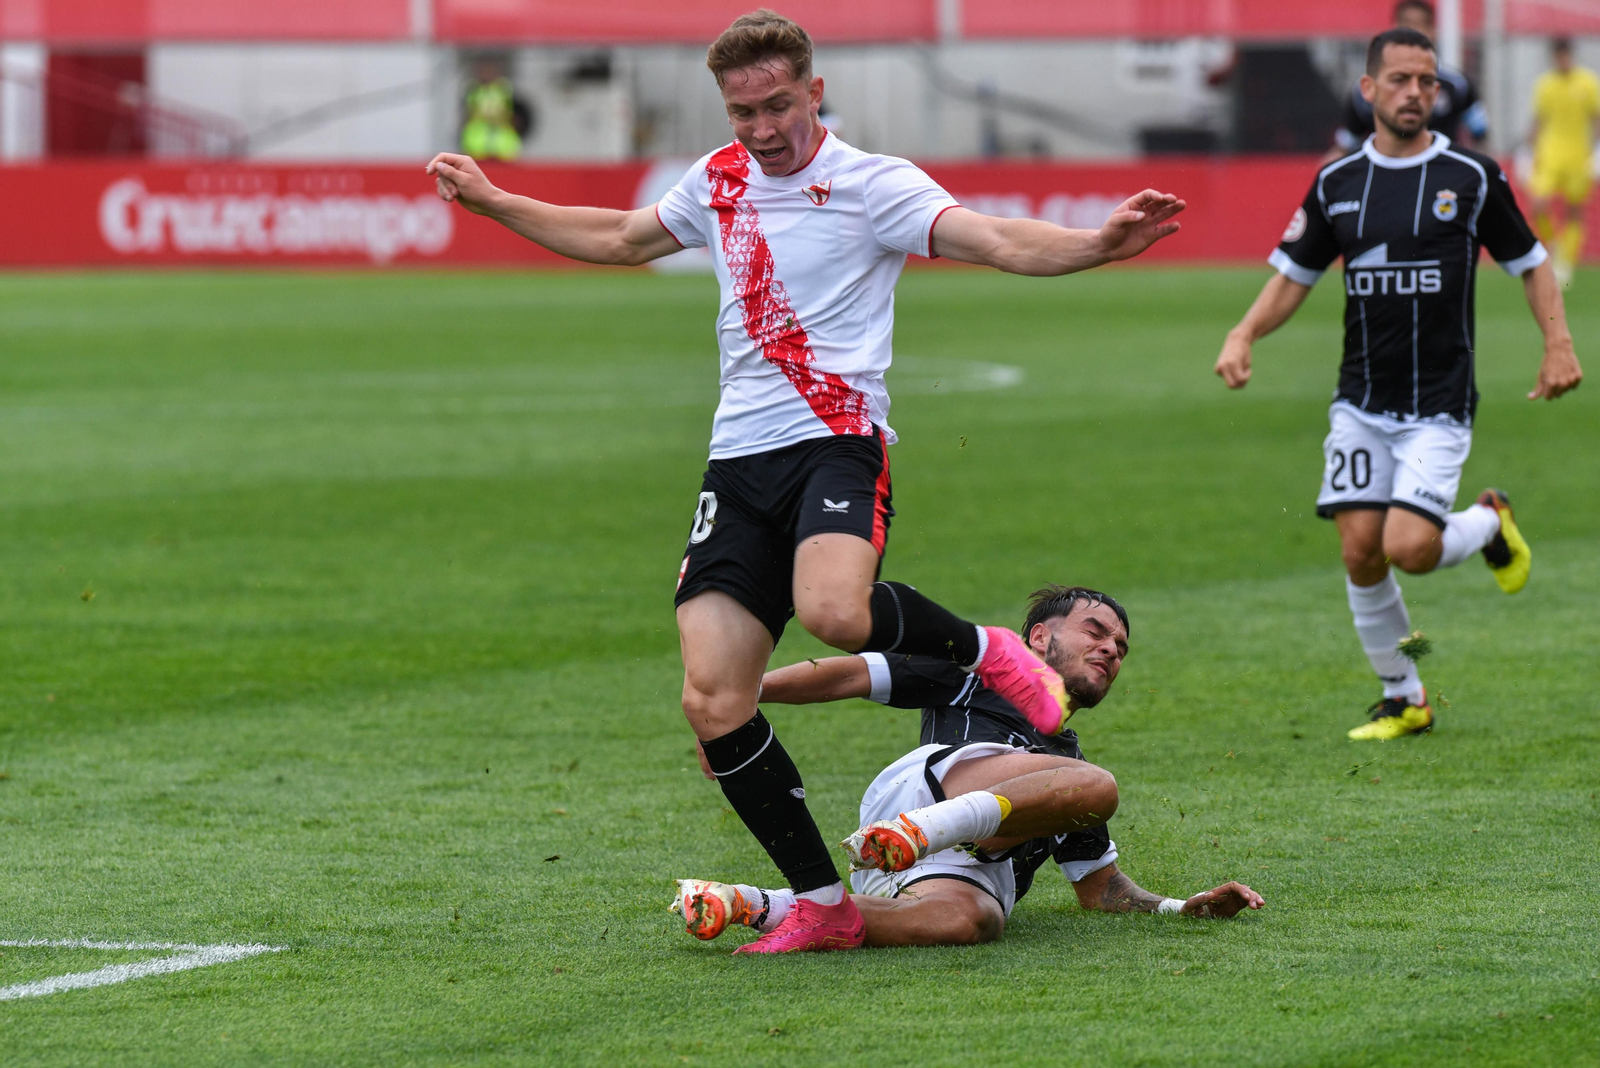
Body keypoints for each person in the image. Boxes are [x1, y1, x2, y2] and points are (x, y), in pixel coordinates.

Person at [425, 10, 1186, 953]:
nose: (761, 126)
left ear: (813, 93)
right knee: (713, 702)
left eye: (778, 104)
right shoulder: (719, 180)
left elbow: (991, 237)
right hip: (737, 465)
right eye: (743, 109)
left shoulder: (873, 185)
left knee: (833, 609)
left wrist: (1097, 244)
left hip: (836, 445)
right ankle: (822, 906)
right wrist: (496, 200)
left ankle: (985, 648)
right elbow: (621, 237)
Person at [1214, 28, 1582, 742]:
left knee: (1410, 547)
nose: (1417, 93)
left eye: (1428, 81)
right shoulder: (1337, 182)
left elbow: (1533, 262)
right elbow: (1295, 277)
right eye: (1403, 80)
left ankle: (1487, 523)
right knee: (1360, 548)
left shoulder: (1471, 177)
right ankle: (1403, 695)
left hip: (1438, 403)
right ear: (1369, 90)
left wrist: (1558, 344)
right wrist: (1242, 333)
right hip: (1360, 400)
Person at [672, 585, 1263, 949]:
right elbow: (849, 673)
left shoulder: (1066, 766)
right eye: (1095, 631)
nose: (1111, 648)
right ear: (1037, 638)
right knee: (1096, 786)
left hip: (942, 866)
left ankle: (753, 904)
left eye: (1121, 647)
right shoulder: (975, 678)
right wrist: (739, 705)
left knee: (972, 923)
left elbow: (1101, 889)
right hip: (925, 795)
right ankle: (915, 833)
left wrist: (1181, 908)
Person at [1325, 1, 1487, 163]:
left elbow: (1480, 134)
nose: (1414, 92)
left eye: (1426, 81)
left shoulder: (1456, 84)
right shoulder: (1364, 92)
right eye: (1398, 81)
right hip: (1385, 177)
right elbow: (1346, 144)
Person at [1528, 38, 1600, 286]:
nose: (1563, 60)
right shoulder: (1545, 84)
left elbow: (1596, 118)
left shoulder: (1588, 82)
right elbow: (1538, 120)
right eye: (1559, 56)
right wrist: (1528, 152)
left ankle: (1565, 261)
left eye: (1566, 55)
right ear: (1554, 57)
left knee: (1575, 210)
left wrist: (1597, 150)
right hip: (1550, 153)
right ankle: (1555, 244)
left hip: (1579, 155)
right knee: (1538, 203)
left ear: (1572, 55)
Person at [460, 57, 524, 161]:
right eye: (484, 71)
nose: (487, 74)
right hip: (477, 147)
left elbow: (510, 114)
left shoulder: (504, 89)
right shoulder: (473, 91)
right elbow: (468, 115)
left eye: (491, 71)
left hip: (503, 148)